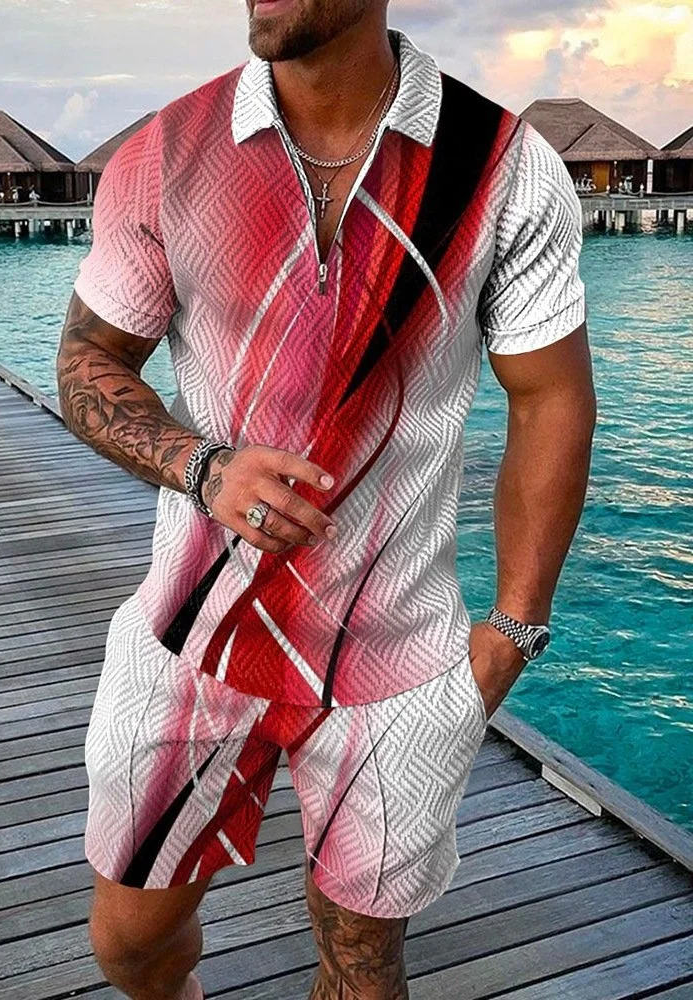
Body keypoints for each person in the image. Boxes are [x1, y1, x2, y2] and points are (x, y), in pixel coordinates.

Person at [58, 3, 596, 998]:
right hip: (192, 638)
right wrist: (201, 466)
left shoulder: (504, 168)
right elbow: (89, 359)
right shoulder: (163, 155)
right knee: (128, 943)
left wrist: (515, 626)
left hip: (396, 662)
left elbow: (549, 395)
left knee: (361, 965)